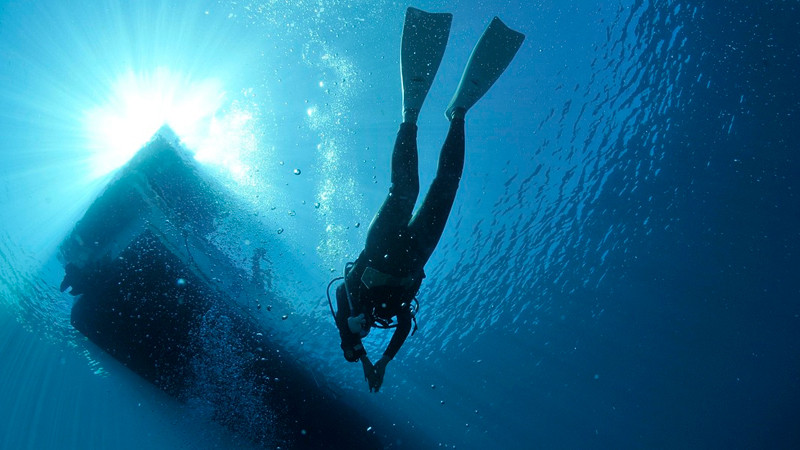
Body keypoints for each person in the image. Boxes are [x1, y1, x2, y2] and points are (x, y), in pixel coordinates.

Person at [334, 7, 525, 392]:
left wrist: (348, 322)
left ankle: (411, 114)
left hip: (380, 248)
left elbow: (341, 295)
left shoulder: (352, 303)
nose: (367, 328)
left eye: (361, 332)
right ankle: (458, 114)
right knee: (447, 185)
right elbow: (401, 328)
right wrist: (381, 361)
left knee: (405, 191)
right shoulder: (389, 316)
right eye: (365, 332)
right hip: (416, 256)